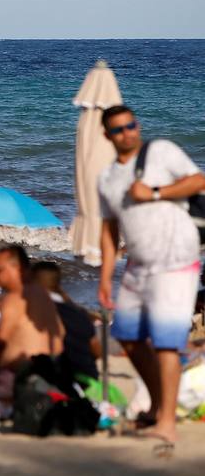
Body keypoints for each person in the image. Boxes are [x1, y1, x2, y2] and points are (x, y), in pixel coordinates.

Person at [97, 105, 205, 448]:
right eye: (118, 129)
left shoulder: (160, 151)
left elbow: (199, 180)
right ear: (107, 135)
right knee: (126, 336)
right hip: (138, 265)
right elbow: (109, 229)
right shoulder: (107, 178)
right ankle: (159, 405)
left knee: (165, 343)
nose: (127, 133)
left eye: (131, 126)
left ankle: (167, 423)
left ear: (137, 126)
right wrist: (104, 275)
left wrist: (155, 193)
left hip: (177, 261)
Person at [0, 246, 64, 399]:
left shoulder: (15, 299)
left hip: (25, 377)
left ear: (17, 269)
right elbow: (60, 335)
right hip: (53, 372)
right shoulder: (43, 295)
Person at [32, 261, 101, 380]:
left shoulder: (36, 312)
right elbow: (97, 351)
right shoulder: (80, 313)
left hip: (60, 379)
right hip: (89, 378)